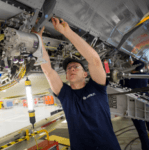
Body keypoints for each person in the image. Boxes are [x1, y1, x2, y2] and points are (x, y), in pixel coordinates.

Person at [36, 17, 121, 150]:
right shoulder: (66, 95)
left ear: (85, 74)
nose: (72, 69)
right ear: (67, 77)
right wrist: (38, 38)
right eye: (69, 69)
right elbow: (48, 71)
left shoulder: (97, 88)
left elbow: (94, 60)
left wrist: (67, 32)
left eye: (76, 66)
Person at [120, 60, 149, 150]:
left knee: (142, 132)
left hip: (134, 107)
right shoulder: (145, 76)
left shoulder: (128, 78)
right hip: (146, 105)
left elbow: (121, 85)